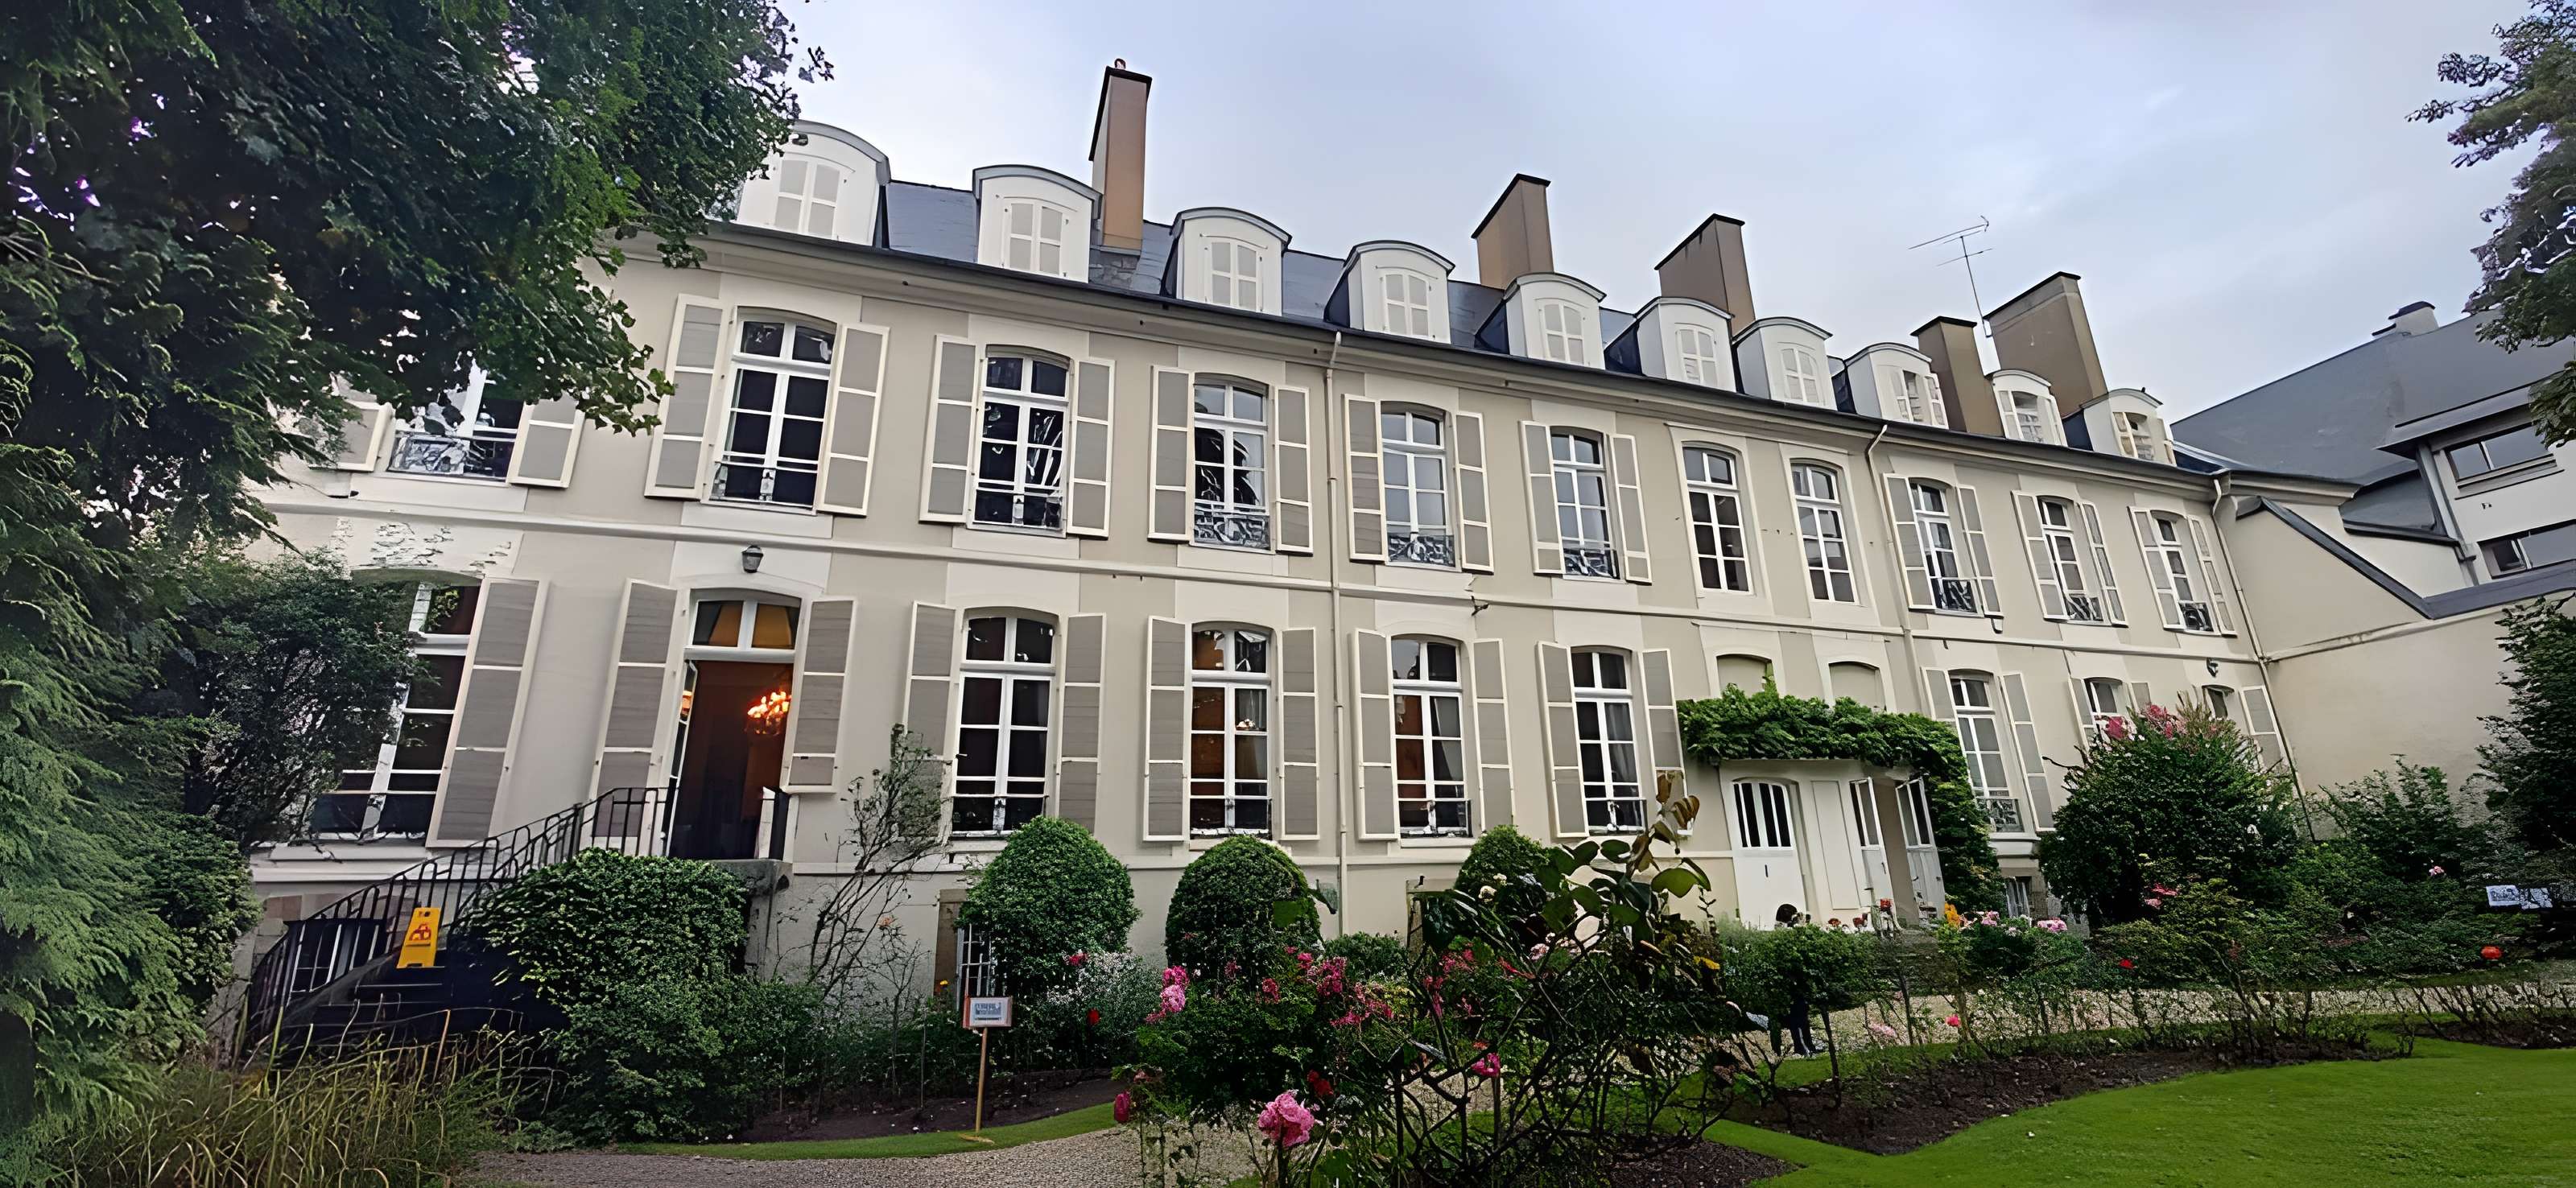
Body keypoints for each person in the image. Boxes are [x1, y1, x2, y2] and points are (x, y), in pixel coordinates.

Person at [1773, 903, 1818, 1057]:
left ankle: (1809, 1045)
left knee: (1803, 1014)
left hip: (1799, 978)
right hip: (1790, 981)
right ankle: (1800, 1046)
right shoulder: (1780, 929)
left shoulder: (1789, 929)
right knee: (1795, 1015)